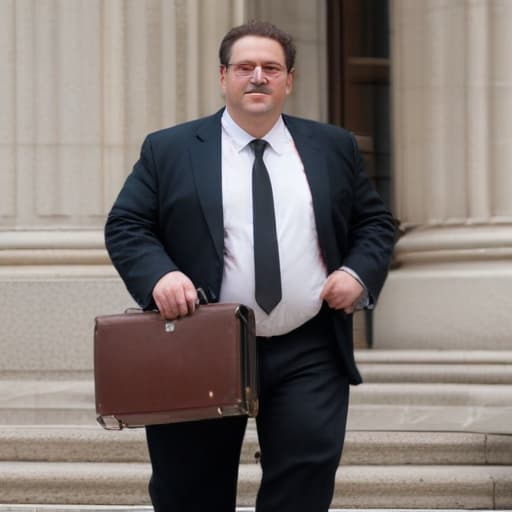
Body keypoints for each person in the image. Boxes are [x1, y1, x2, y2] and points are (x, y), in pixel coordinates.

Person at [105, 20, 395, 512]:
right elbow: (127, 224)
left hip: (309, 345)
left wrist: (357, 273)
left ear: (288, 80)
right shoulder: (170, 149)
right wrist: (160, 275)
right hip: (201, 342)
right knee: (188, 489)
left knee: (304, 479)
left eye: (271, 67)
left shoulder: (332, 147)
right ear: (224, 77)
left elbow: (375, 222)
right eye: (245, 67)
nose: (258, 76)